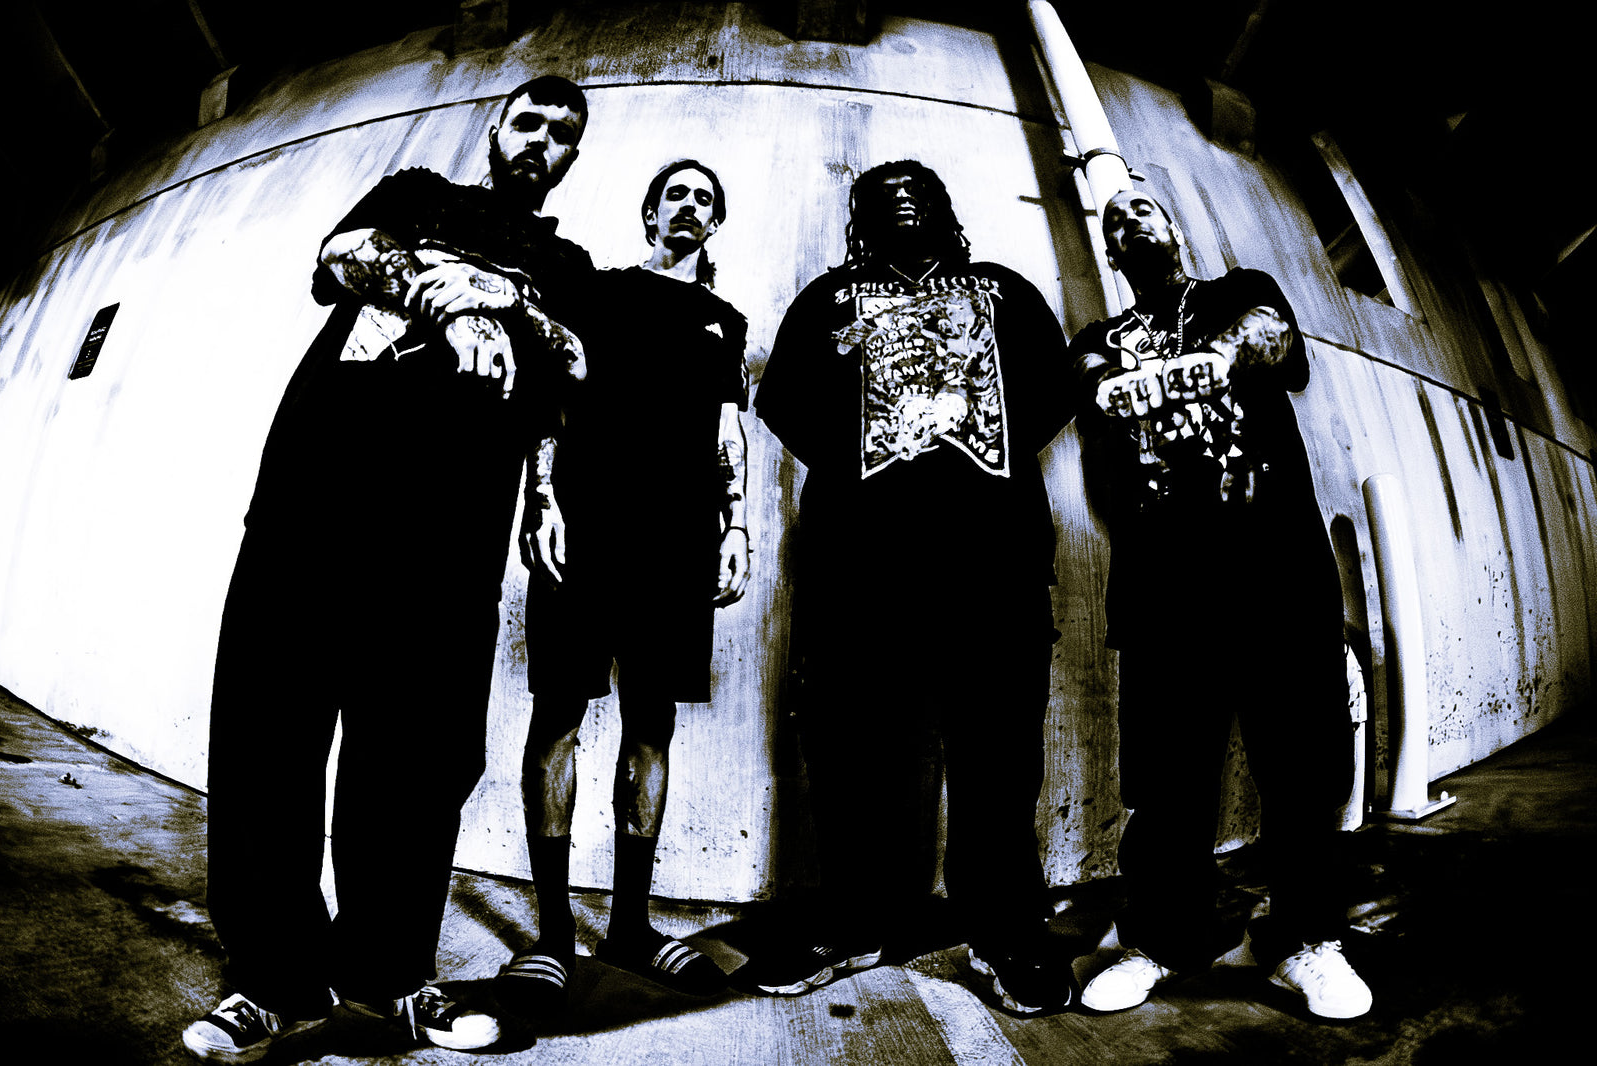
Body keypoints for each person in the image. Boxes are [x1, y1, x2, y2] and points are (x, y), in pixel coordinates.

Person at [183, 76, 596, 1063]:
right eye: (529, 120)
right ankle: (273, 981)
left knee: (419, 756)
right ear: (495, 128)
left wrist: (508, 314)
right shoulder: (419, 195)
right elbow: (339, 257)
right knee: (268, 734)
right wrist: (440, 298)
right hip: (315, 493)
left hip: (452, 528)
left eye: (562, 133)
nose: (541, 139)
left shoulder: (565, 264)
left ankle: (393, 976)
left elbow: (574, 369)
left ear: (572, 158)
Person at [750, 160, 1075, 1014]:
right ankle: (856, 919)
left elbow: (1054, 389)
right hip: (861, 568)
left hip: (994, 563)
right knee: (853, 748)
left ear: (947, 209)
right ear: (858, 219)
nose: (903, 198)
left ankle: (1005, 927)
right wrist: (871, 461)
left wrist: (966, 457)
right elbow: (781, 400)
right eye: (882, 193)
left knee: (998, 755)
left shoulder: (1004, 289)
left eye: (920, 189)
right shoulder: (829, 298)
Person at [1067, 189, 1372, 1020]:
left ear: (1173, 229)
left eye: (1143, 208)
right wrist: (1123, 381)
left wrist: (1219, 354)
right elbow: (1092, 392)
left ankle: (1307, 940)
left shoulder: (1239, 292)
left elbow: (1273, 337)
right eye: (1115, 219)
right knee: (1169, 783)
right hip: (1165, 585)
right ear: (1112, 251)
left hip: (1277, 572)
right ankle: (1158, 942)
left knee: (1303, 769)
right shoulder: (1097, 339)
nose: (1129, 221)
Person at [493, 159, 751, 1017]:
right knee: (558, 714)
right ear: (649, 212)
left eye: (705, 199)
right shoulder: (595, 292)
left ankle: (630, 926)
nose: (689, 206)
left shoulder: (723, 321)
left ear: (715, 223)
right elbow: (552, 401)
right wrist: (542, 500)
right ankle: (554, 933)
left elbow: (728, 429)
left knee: (652, 722)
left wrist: (737, 527)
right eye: (676, 193)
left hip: (677, 540)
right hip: (588, 526)